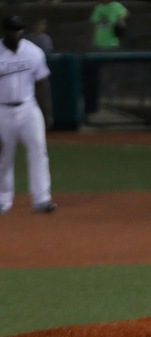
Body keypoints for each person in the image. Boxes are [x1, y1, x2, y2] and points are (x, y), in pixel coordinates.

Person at [0, 16, 57, 214]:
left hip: (28, 107)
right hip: (2, 110)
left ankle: (42, 199)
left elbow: (42, 84)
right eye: (11, 29)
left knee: (38, 150)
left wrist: (46, 113)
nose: (15, 33)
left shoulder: (33, 52)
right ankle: (2, 200)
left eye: (18, 29)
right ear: (4, 31)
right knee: (3, 157)